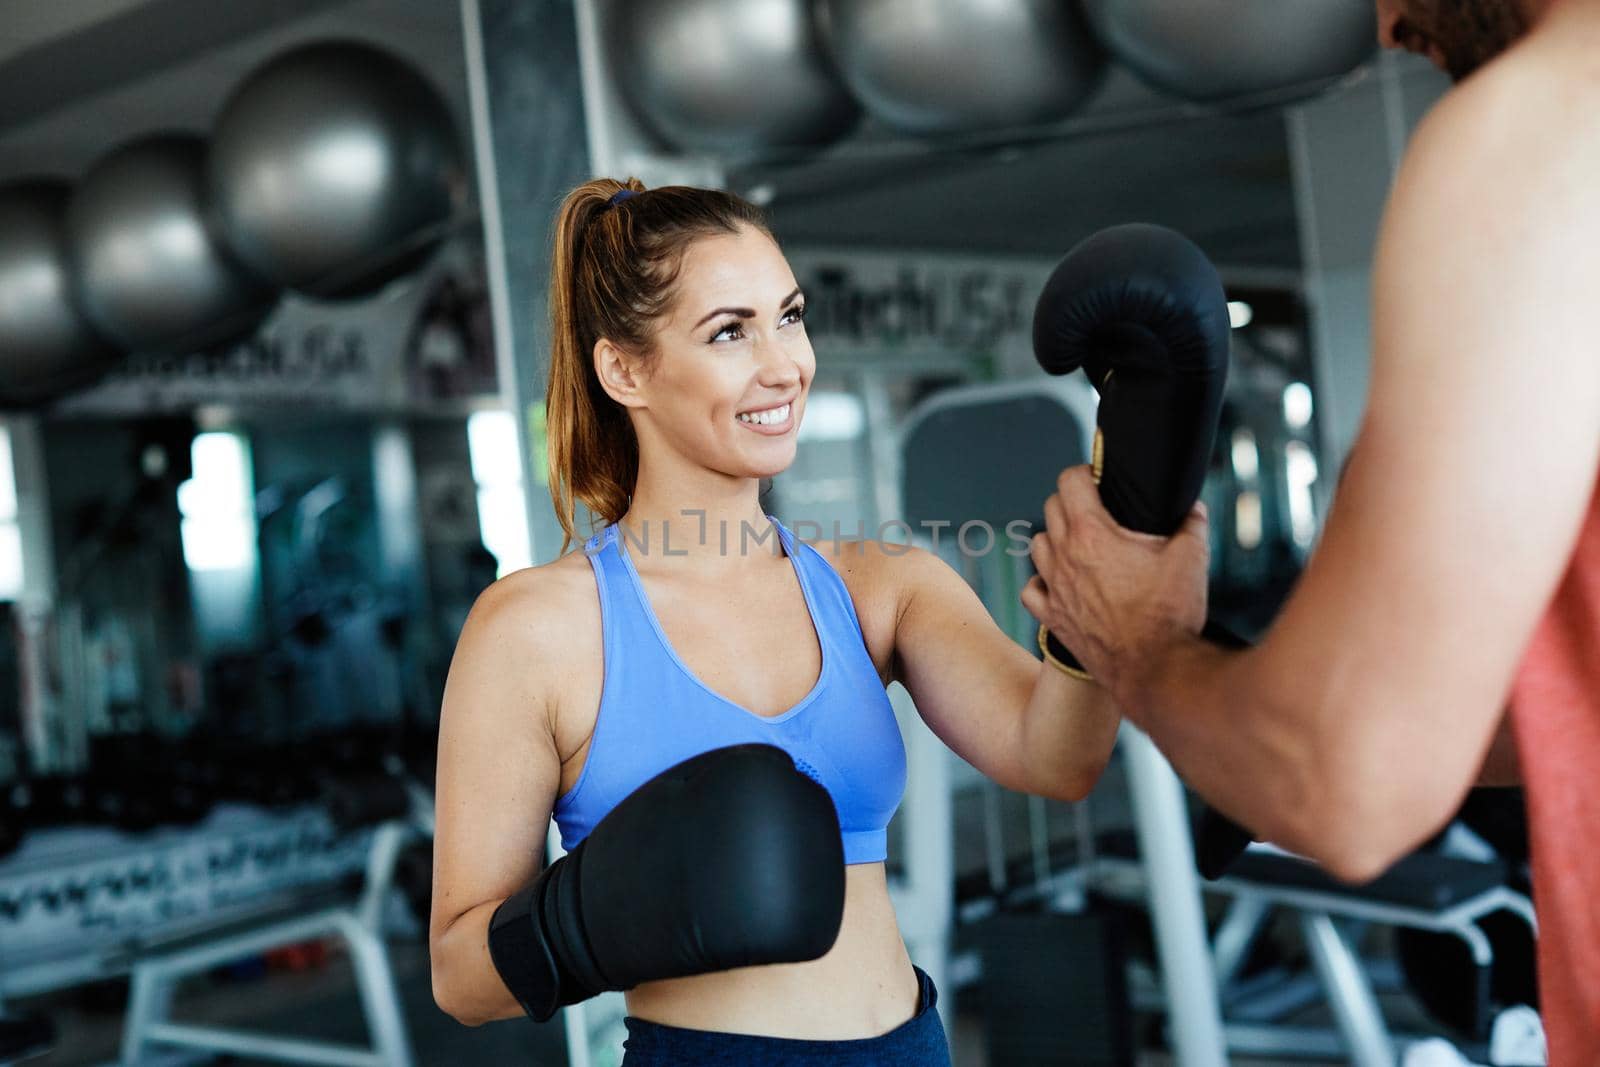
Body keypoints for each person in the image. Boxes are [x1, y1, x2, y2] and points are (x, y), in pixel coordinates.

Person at [428, 179, 1126, 1061]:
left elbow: (1058, 756)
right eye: (730, 331)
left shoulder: (881, 584)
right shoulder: (537, 629)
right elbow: (459, 974)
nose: (784, 364)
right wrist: (587, 920)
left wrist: (1099, 612)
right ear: (624, 370)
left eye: (789, 317)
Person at [1025, 1, 1600, 1061]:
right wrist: (1252, 696)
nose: (1387, 26)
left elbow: (1346, 783)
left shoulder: (1550, 121)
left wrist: (1138, 642)